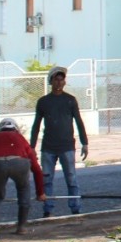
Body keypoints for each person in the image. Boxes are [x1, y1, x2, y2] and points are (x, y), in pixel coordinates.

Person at [0, 118, 45, 237]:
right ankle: (21, 227)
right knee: (23, 189)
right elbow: (36, 169)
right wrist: (40, 193)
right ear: (16, 129)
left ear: (0, 129)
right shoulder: (20, 138)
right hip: (19, 163)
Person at [30, 66, 89, 217]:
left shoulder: (70, 100)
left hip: (67, 146)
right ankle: (48, 209)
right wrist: (31, 147)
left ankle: (75, 208)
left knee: (71, 178)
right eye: (56, 79)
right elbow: (36, 125)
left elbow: (79, 121)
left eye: (61, 79)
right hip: (48, 147)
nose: (59, 82)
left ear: (64, 82)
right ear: (51, 81)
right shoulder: (43, 102)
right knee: (47, 179)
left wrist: (84, 142)